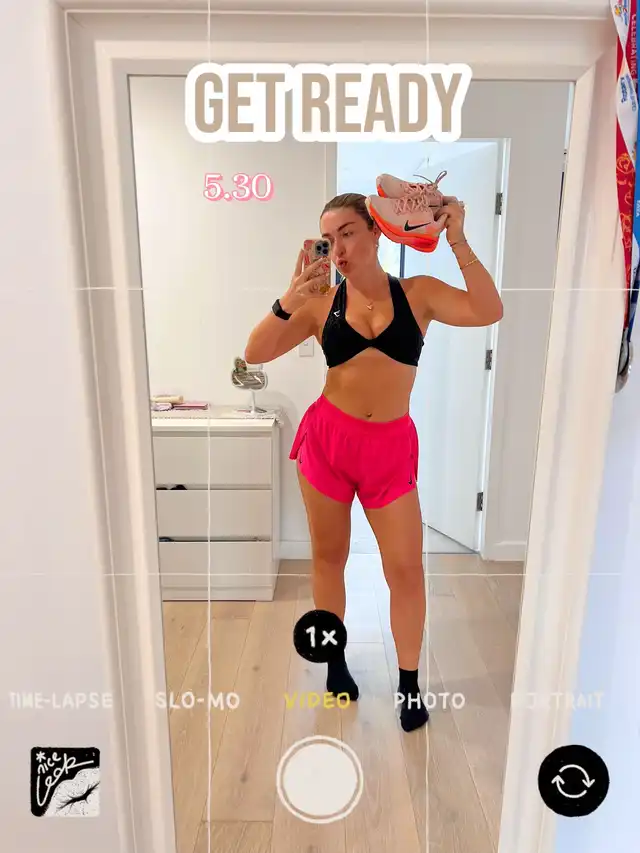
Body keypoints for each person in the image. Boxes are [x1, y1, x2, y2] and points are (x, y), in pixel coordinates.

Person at [244, 188, 503, 732]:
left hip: (389, 449)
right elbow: (256, 352)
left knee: (406, 570)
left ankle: (408, 684)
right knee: (328, 558)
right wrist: (289, 297)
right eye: (327, 238)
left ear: (376, 232)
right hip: (328, 443)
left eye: (347, 234)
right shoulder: (318, 302)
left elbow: (488, 309)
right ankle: (335, 664)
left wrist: (456, 238)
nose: (337, 249)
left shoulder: (418, 294)